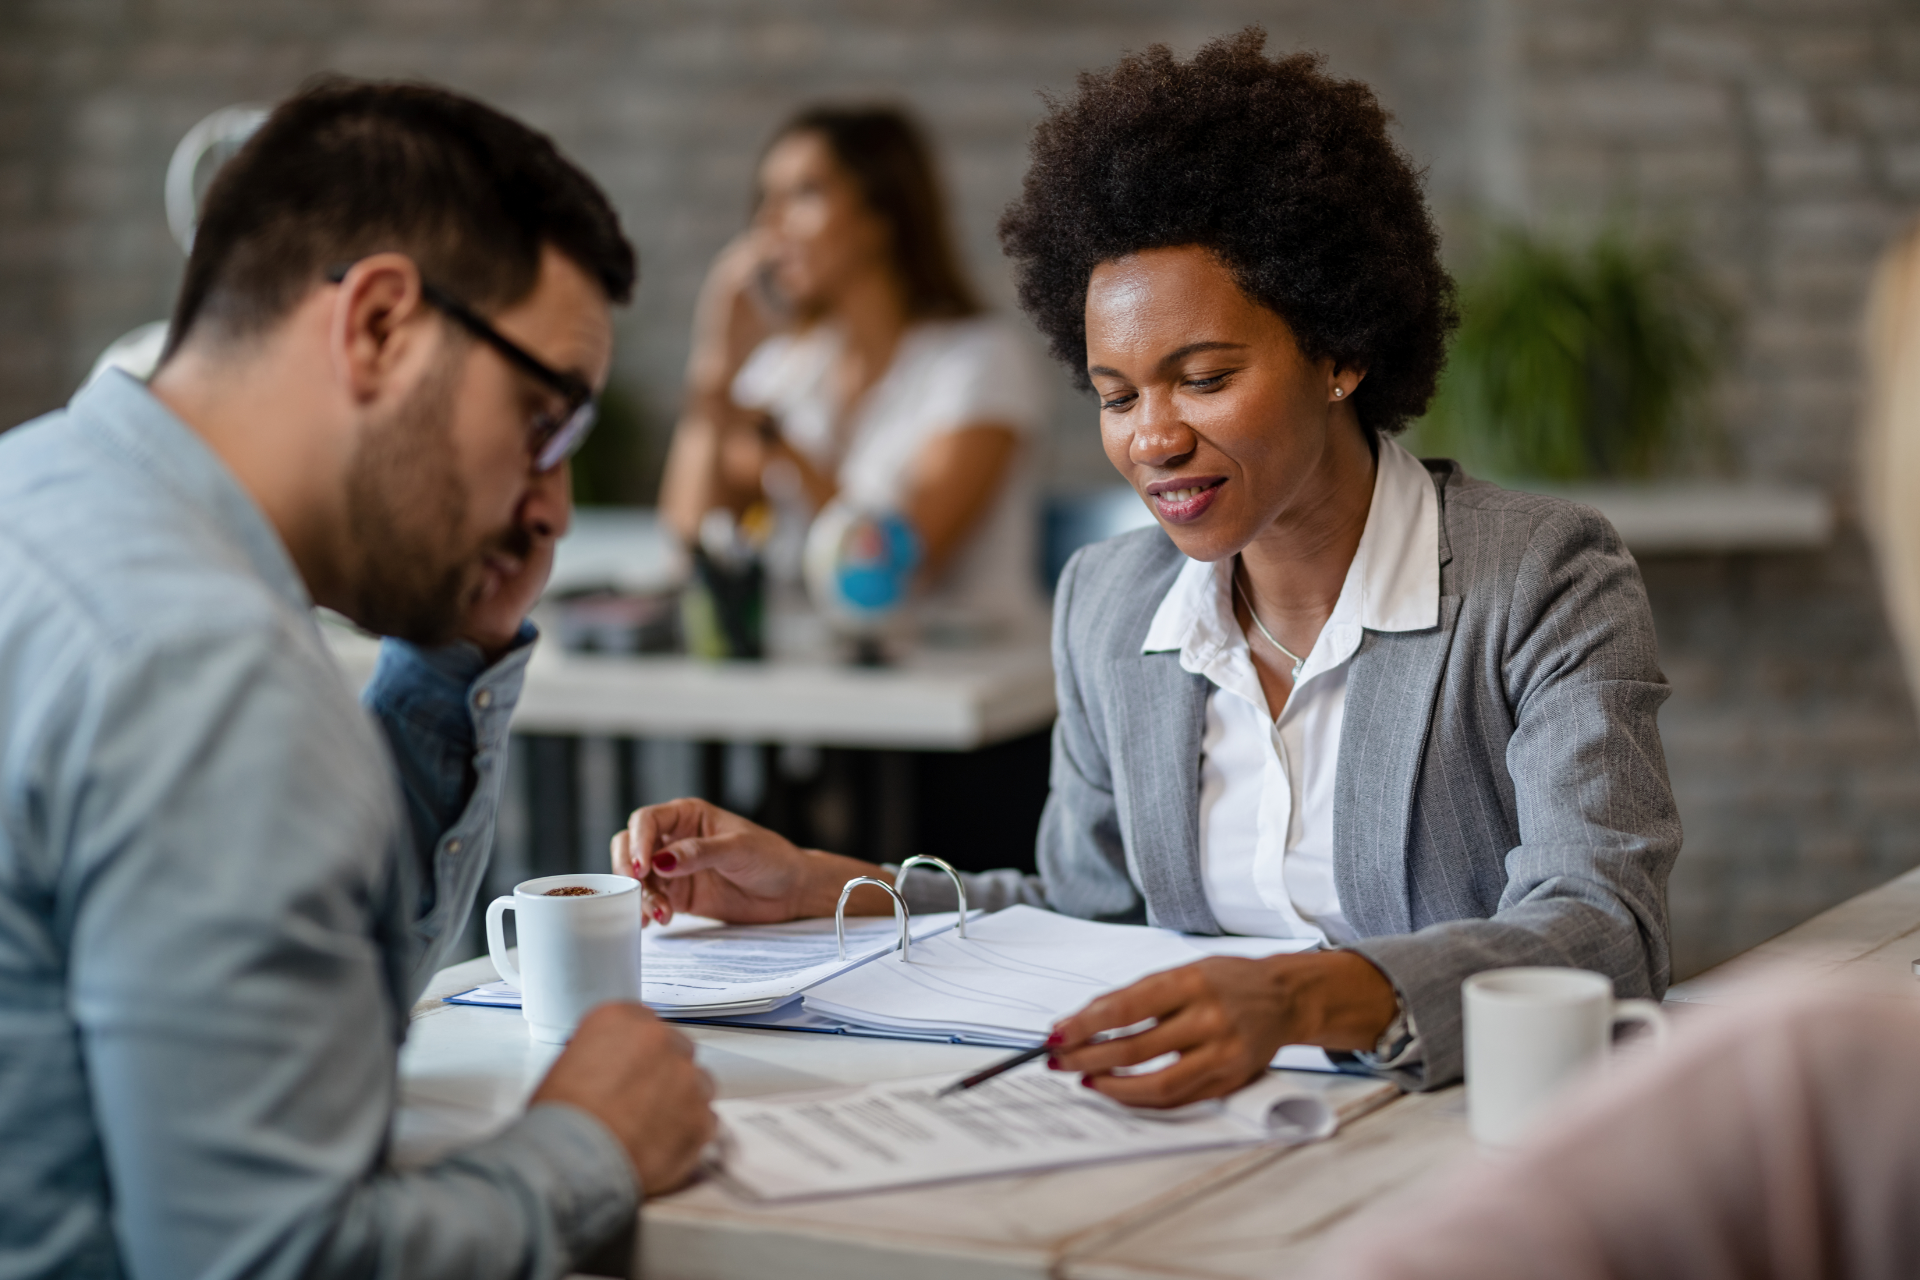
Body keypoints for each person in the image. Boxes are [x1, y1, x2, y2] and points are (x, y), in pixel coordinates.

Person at [614, 30, 1679, 1106]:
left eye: (1204, 377)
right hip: (1198, 1143)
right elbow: (1081, 907)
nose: (1152, 439)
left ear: (1341, 352)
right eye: (1118, 397)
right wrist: (820, 885)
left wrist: (1300, 999)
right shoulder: (1110, 603)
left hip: (1464, 1134)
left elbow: (1603, 926)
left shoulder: (1541, 578)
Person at [0, 79, 713, 1278]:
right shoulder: (212, 670)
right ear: (380, 323)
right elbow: (280, 1258)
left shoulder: (37, 500)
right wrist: (588, 1143)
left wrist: (456, 654)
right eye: (545, 422)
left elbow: (287, 1049)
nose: (553, 504)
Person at [658, 103, 1049, 636]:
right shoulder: (785, 368)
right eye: (765, 200)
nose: (768, 227)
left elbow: (892, 567)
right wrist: (715, 363)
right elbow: (692, 542)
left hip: (964, 688)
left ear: (880, 215)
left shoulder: (977, 360)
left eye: (804, 194)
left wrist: (788, 451)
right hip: (824, 687)